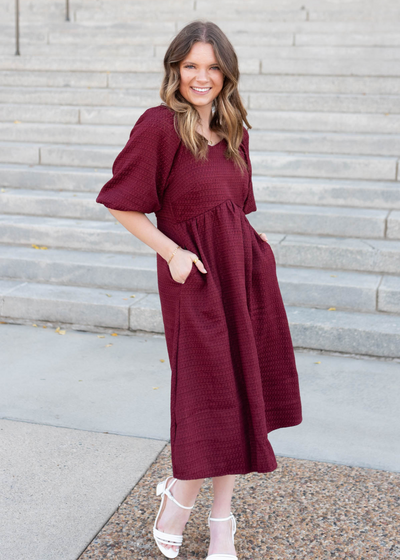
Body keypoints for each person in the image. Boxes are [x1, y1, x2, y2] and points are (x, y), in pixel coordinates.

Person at [96, 20, 302, 560]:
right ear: (175, 70)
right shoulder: (160, 126)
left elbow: (234, 211)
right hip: (194, 279)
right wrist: (172, 252)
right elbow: (121, 201)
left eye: (212, 67)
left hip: (245, 277)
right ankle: (181, 495)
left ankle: (221, 524)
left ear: (226, 73)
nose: (201, 77)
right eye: (191, 66)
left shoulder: (235, 131)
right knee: (206, 393)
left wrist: (259, 252)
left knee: (240, 393)